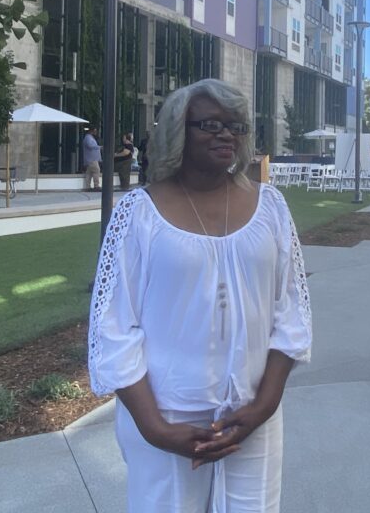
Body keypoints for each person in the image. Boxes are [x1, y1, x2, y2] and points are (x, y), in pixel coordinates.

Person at [88, 78, 312, 513]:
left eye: (236, 126)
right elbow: (113, 327)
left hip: (251, 416)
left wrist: (263, 406)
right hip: (167, 418)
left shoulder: (271, 207)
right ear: (178, 129)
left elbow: (292, 312)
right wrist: (155, 429)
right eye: (210, 124)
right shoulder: (139, 213)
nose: (226, 134)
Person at [81, 126, 101, 192]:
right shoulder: (88, 138)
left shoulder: (90, 138)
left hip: (91, 159)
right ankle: (96, 186)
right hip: (91, 159)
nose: (96, 132)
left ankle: (87, 186)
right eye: (95, 131)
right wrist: (99, 147)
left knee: (89, 172)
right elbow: (90, 146)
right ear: (91, 131)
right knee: (96, 170)